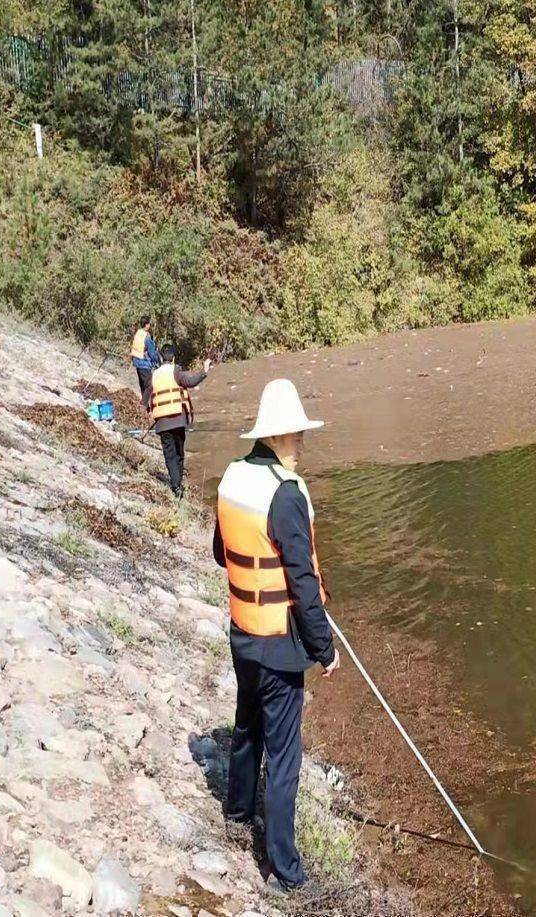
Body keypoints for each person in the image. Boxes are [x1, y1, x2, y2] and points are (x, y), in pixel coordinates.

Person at [212, 378, 340, 892]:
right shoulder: (285, 494)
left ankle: (239, 812)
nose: (302, 443)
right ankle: (286, 873)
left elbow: (222, 553)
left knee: (247, 726)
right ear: (280, 435)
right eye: (298, 434)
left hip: (243, 631)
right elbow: (302, 580)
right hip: (277, 646)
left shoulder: (232, 477)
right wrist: (323, 648)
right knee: (285, 758)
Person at [149, 345, 210, 497]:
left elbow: (147, 398)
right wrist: (204, 371)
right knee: (179, 454)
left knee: (169, 455)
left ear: (162, 358)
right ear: (174, 358)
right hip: (178, 419)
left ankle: (176, 487)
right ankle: (178, 484)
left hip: (163, 423)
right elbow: (190, 381)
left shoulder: (154, 375)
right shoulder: (176, 371)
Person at [130, 315, 161, 410]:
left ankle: (146, 407)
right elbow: (152, 353)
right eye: (149, 323)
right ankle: (143, 406)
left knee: (143, 385)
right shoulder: (147, 337)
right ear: (147, 325)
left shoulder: (138, 333)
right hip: (144, 363)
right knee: (150, 385)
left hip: (136, 362)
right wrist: (159, 362)